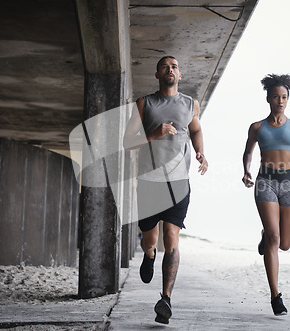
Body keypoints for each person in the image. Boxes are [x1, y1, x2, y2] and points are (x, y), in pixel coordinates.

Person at [123, 56, 208, 324]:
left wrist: (201, 153)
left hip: (178, 183)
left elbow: (195, 129)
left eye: (174, 66)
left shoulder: (190, 104)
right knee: (151, 239)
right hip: (149, 182)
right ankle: (148, 254)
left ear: (179, 74)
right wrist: (153, 134)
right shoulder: (144, 103)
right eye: (164, 67)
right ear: (157, 74)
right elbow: (128, 142)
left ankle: (165, 299)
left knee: (172, 238)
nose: (169, 70)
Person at [241, 74, 290, 316]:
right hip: (266, 182)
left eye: (284, 97)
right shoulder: (257, 127)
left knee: (284, 244)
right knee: (276, 239)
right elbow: (247, 153)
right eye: (276, 96)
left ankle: (266, 235)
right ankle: (276, 296)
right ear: (268, 99)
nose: (280, 101)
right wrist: (246, 171)